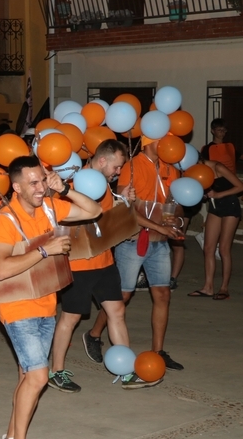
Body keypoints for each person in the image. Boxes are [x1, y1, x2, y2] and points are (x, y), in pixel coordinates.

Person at [0, 156, 100, 439]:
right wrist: (43, 250)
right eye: (34, 183)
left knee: (27, 376)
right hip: (17, 308)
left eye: (43, 180)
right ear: (16, 187)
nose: (40, 188)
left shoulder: (50, 208)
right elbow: (1, 269)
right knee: (39, 376)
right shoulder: (4, 221)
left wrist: (64, 188)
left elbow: (95, 210)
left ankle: (9, 437)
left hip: (47, 306)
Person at [48, 139, 159, 392]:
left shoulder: (106, 189)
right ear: (102, 161)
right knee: (71, 317)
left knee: (117, 313)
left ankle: (126, 372)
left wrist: (124, 204)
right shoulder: (72, 185)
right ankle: (56, 371)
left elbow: (106, 222)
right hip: (77, 264)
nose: (118, 172)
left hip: (105, 262)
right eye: (117, 167)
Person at [85, 136, 184, 371]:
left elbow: (170, 202)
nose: (168, 145)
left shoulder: (170, 169)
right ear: (150, 141)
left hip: (159, 243)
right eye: (163, 140)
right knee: (121, 297)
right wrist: (159, 226)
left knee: (162, 294)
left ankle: (158, 351)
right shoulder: (130, 166)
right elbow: (125, 210)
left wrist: (171, 225)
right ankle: (94, 334)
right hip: (133, 241)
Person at [189, 158, 243, 300]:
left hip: (230, 205)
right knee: (208, 248)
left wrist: (218, 194)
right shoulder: (196, 171)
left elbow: (240, 186)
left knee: (224, 248)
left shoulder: (218, 167)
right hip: (215, 207)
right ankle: (208, 287)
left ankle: (224, 288)